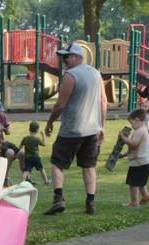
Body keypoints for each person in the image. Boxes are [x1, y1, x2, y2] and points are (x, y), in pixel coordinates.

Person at [44, 41, 107, 216]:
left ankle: (58, 199)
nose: (63, 59)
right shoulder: (96, 73)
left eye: (66, 56)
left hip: (72, 129)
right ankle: (90, 202)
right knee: (88, 166)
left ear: (77, 57)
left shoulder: (70, 76)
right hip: (92, 130)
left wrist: (49, 123)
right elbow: (104, 102)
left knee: (57, 163)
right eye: (62, 56)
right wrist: (102, 126)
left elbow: (60, 105)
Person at [119, 108, 149, 207]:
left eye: (132, 123)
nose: (131, 126)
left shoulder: (139, 131)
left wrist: (123, 138)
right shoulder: (144, 130)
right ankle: (146, 196)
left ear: (137, 120)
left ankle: (134, 202)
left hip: (139, 162)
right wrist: (124, 154)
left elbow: (134, 144)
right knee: (141, 182)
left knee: (133, 183)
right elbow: (134, 148)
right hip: (145, 161)